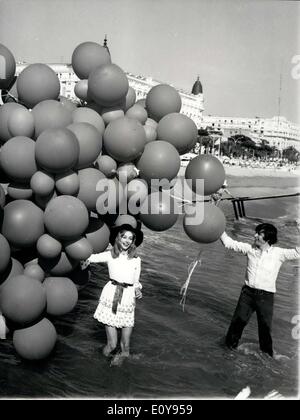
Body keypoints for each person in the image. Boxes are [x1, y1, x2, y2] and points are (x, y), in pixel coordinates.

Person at [220, 222, 300, 357]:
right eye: (256, 232)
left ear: (268, 238)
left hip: (266, 297)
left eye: (259, 233)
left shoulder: (279, 253)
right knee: (236, 325)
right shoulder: (249, 249)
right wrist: (216, 226)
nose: (255, 235)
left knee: (265, 329)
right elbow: (229, 243)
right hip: (247, 294)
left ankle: (268, 358)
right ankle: (227, 353)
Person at [82, 223, 143, 365]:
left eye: (130, 238)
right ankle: (99, 365)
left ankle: (117, 377)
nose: (127, 241)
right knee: (112, 345)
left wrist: (138, 289)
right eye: (124, 237)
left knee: (126, 348)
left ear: (133, 241)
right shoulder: (110, 255)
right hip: (111, 296)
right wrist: (82, 261)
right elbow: (89, 257)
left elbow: (136, 282)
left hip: (128, 299)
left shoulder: (136, 259)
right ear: (118, 238)